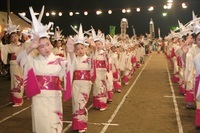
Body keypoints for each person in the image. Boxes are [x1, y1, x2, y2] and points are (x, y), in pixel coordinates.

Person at [17, 6, 73, 133]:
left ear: (51, 43)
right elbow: (20, 60)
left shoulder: (59, 60)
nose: (46, 48)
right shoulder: (33, 61)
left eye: (47, 44)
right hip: (39, 98)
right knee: (41, 126)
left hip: (54, 98)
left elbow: (70, 67)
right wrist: (31, 47)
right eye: (41, 46)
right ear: (37, 49)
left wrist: (71, 54)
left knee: (54, 127)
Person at [70, 24, 93, 133]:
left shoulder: (89, 58)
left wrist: (92, 46)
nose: (80, 51)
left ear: (86, 48)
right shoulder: (74, 59)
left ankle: (82, 124)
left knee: (81, 102)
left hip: (85, 83)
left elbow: (95, 55)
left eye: (82, 48)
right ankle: (76, 124)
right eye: (77, 49)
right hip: (76, 83)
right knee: (75, 102)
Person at [0, 18, 24, 107]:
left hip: (19, 65)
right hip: (12, 65)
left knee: (18, 82)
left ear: (18, 36)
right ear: (10, 38)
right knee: (13, 82)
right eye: (12, 36)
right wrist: (0, 39)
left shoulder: (22, 45)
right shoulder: (9, 46)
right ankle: (14, 99)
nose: (14, 38)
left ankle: (19, 100)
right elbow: (2, 48)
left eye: (16, 36)